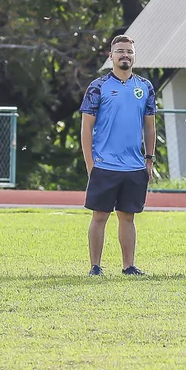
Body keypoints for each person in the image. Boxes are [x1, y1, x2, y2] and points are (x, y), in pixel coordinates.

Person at [79, 34, 157, 277]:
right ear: (110, 56)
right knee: (100, 215)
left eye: (129, 52)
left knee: (128, 217)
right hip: (105, 164)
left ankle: (128, 266)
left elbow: (150, 127)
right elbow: (86, 128)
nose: (125, 55)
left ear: (134, 56)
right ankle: (95, 266)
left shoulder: (145, 87)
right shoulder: (98, 86)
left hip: (134, 166)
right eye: (120, 51)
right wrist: (90, 163)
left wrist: (149, 159)